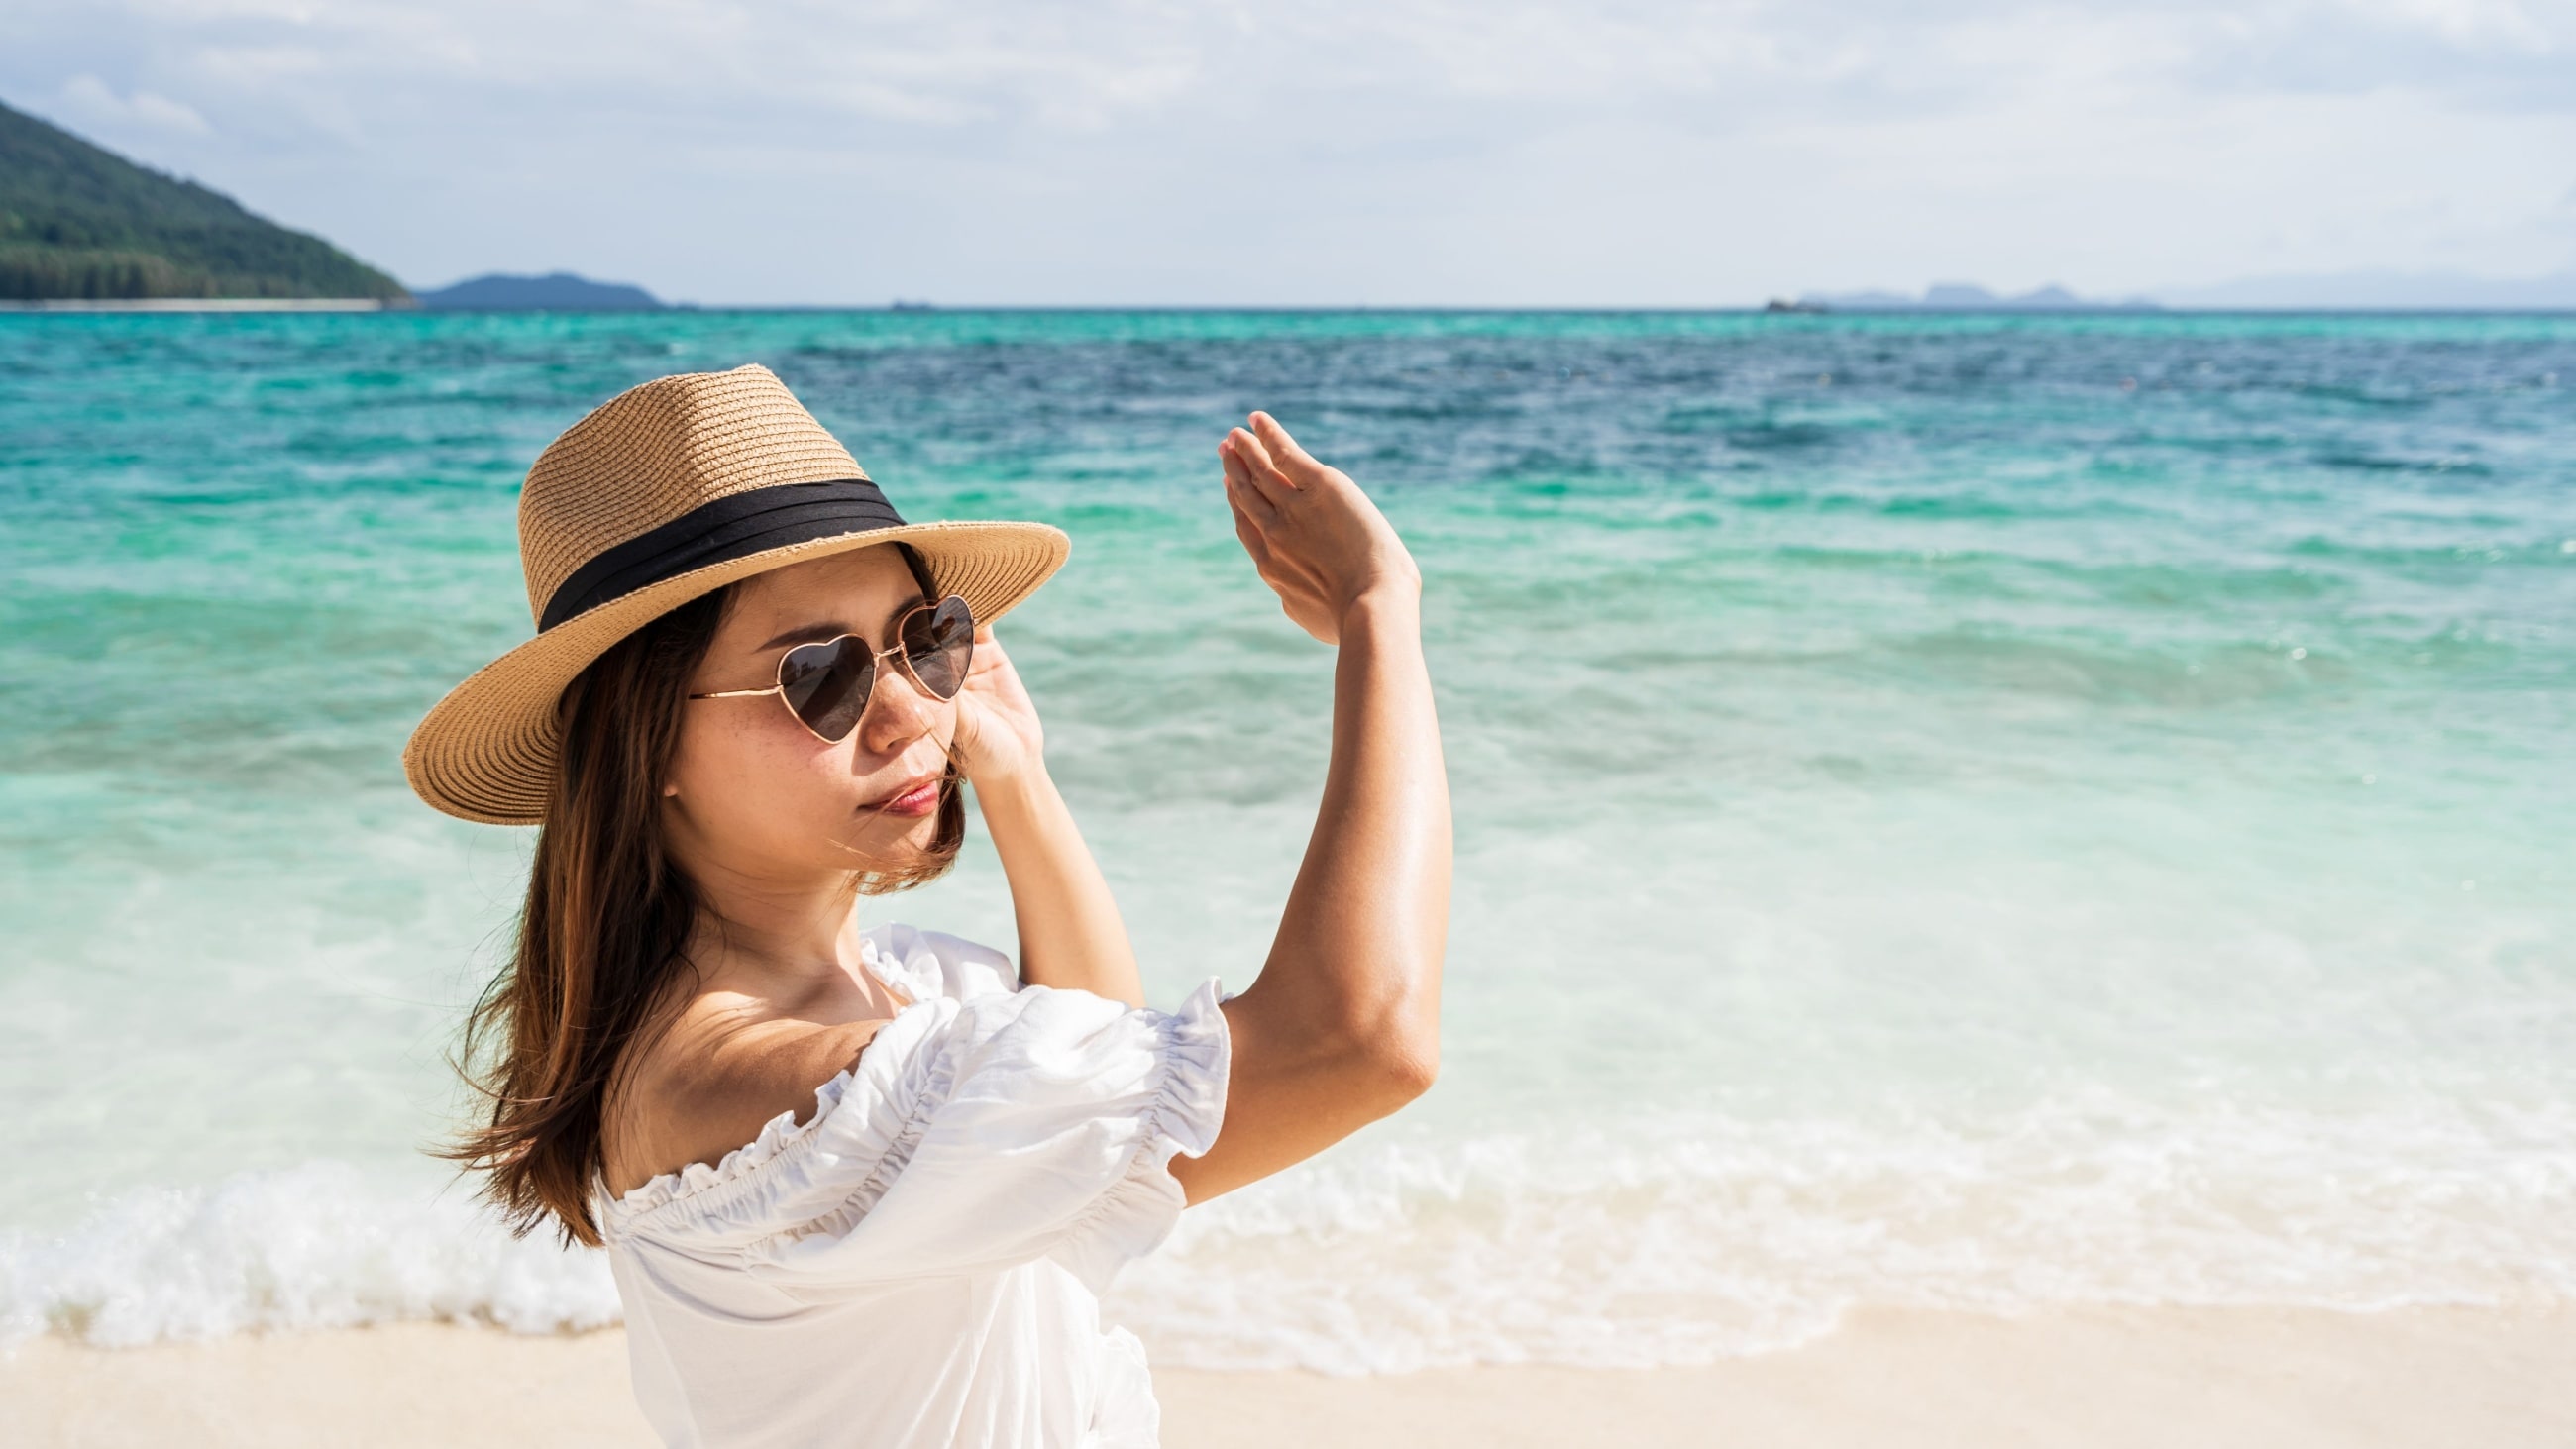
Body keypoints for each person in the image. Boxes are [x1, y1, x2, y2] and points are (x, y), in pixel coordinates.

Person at [402, 365, 1449, 1448]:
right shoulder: (757, 1087)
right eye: (819, 673)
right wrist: (1378, 614)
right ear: (647, 738)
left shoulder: (880, 988)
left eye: (924, 636)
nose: (908, 710)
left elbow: (1087, 1051)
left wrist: (1017, 772)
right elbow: (1361, 1041)